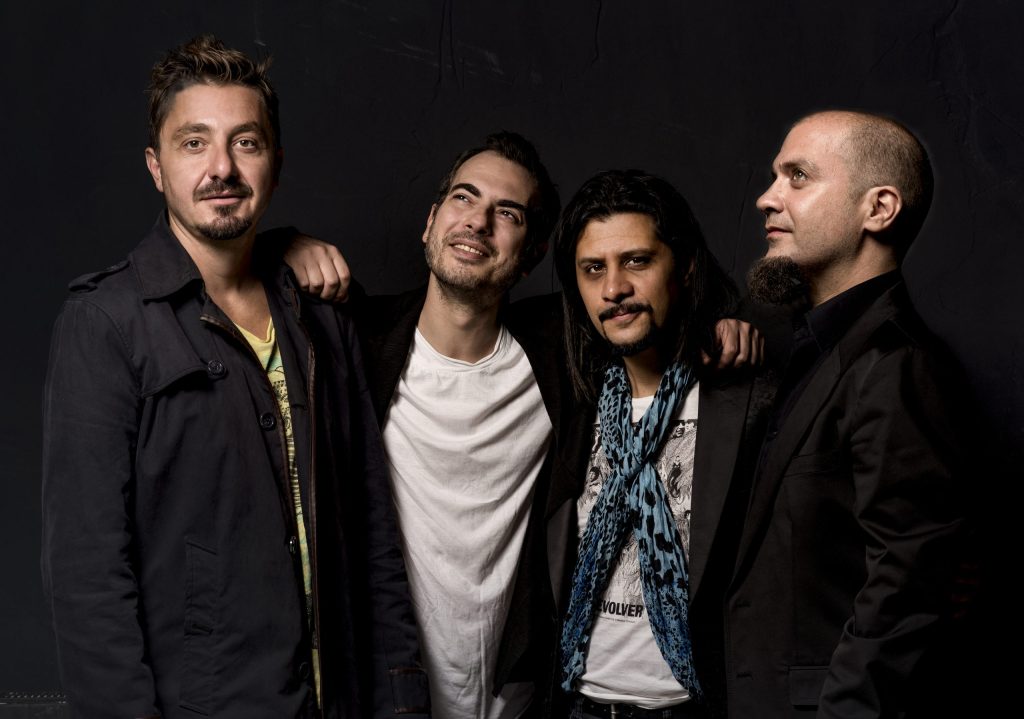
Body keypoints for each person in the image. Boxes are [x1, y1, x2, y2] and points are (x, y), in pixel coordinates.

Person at [283, 134, 758, 719]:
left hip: (521, 698)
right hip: (387, 689)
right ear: (430, 221)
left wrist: (726, 321)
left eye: (506, 213)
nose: (477, 222)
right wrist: (284, 243)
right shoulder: (358, 341)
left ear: (532, 256)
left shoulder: (563, 352)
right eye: (463, 197)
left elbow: (647, 305)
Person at [41, 35, 426, 719]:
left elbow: (373, 535)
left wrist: (402, 704)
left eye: (245, 143)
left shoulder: (320, 317)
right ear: (157, 167)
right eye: (194, 144)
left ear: (275, 165)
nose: (221, 167)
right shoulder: (106, 324)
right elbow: (86, 575)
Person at [728, 110, 967, 717]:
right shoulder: (810, 348)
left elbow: (908, 586)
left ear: (878, 209)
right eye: (774, 177)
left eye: (798, 177)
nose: (767, 198)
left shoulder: (896, 364)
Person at [549, 170, 770, 719]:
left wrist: (740, 322)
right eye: (593, 269)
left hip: (695, 706)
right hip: (579, 704)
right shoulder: (572, 403)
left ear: (685, 266)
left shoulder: (745, 397)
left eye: (637, 261)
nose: (614, 289)